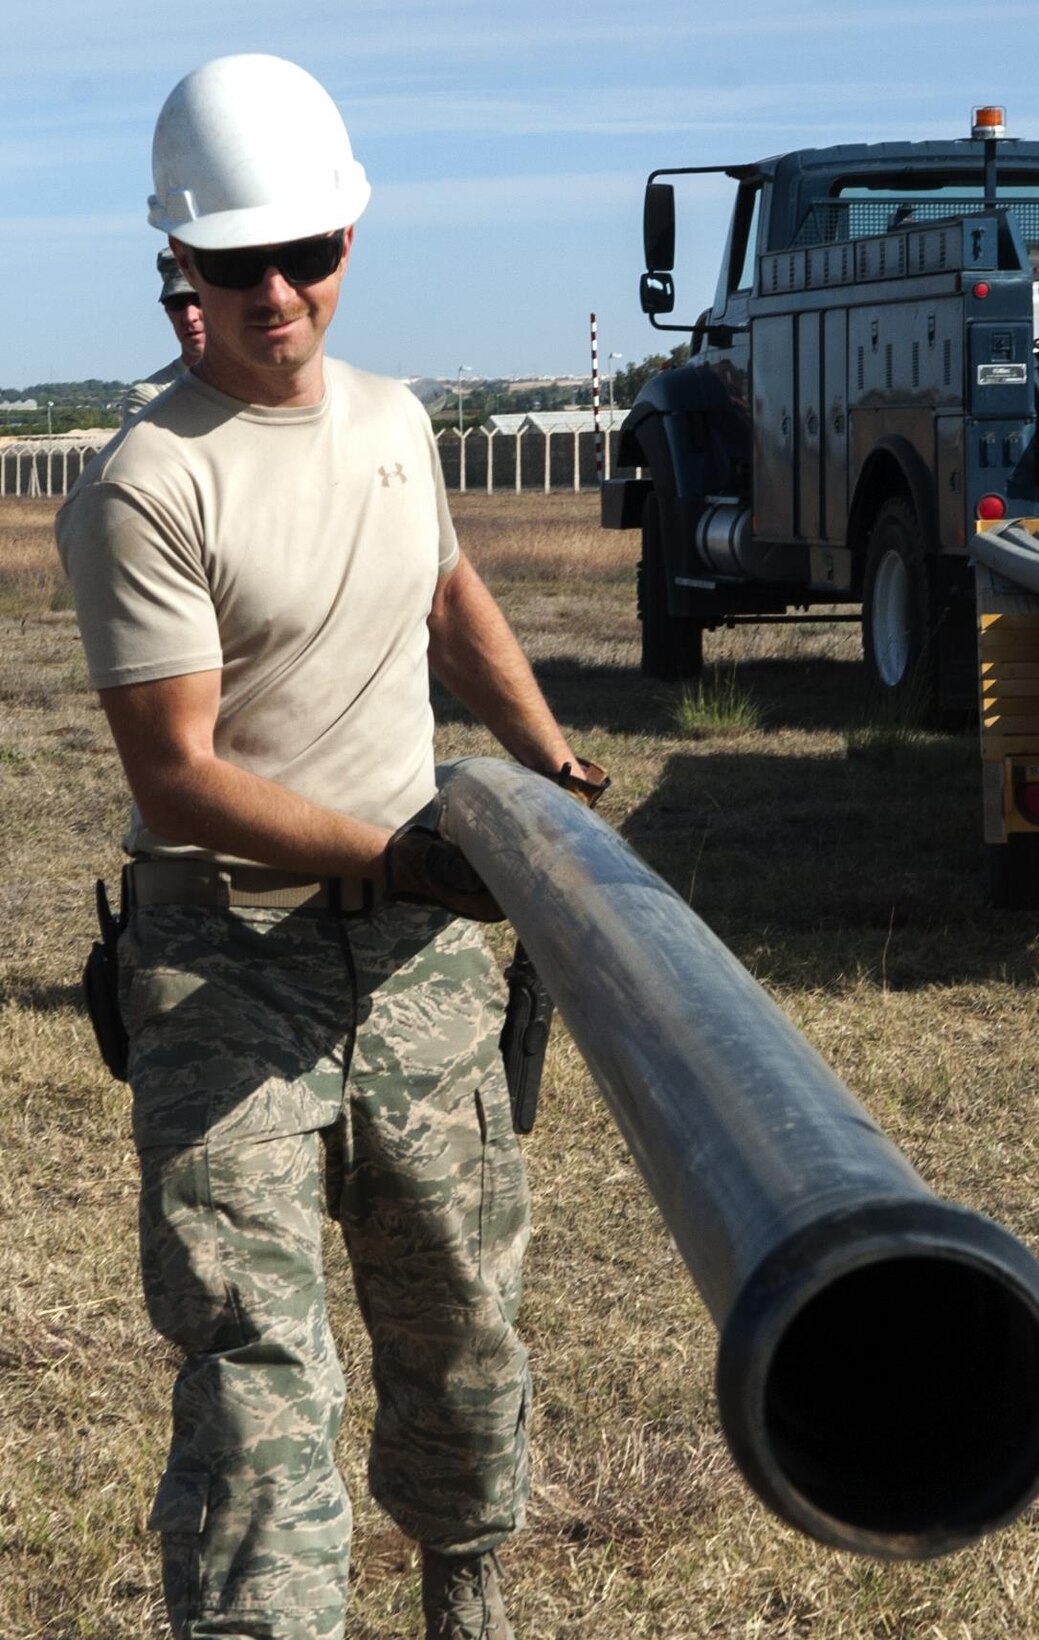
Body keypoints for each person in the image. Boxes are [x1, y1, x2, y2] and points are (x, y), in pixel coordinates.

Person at [56, 54, 604, 1640]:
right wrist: (408, 856)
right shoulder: (147, 489)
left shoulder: (394, 423)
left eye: (309, 255)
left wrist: (549, 763)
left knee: (461, 1323)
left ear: (350, 246)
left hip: (421, 966)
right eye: (239, 263)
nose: (280, 291)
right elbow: (178, 778)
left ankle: (467, 1601)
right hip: (231, 970)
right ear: (184, 272)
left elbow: (447, 600)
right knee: (257, 1367)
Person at [119, 248, 205, 421]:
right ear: (167, 311)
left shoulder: (268, 385)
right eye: (176, 303)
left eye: (198, 299)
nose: (190, 317)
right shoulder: (150, 398)